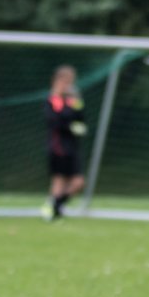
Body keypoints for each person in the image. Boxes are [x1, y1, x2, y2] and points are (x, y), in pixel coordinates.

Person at [42, 64, 87, 220]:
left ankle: (55, 206)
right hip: (58, 146)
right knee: (59, 180)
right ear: (58, 81)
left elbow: (80, 117)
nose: (69, 85)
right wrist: (71, 124)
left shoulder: (73, 99)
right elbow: (55, 122)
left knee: (78, 182)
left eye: (71, 81)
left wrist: (76, 104)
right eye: (66, 81)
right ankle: (53, 211)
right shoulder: (53, 100)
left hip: (73, 146)